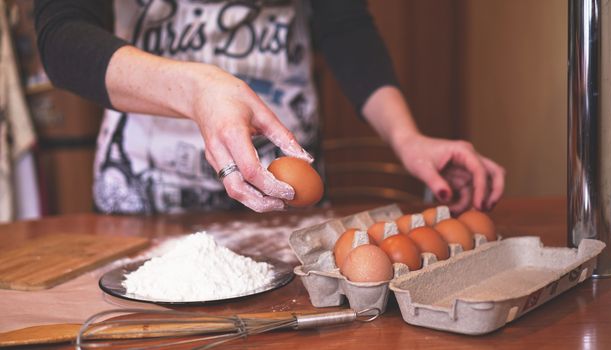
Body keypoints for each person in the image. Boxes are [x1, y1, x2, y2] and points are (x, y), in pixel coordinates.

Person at [34, 0, 505, 215]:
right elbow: (62, 36)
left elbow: (346, 26)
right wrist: (197, 88)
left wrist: (406, 137)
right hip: (146, 194)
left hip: (285, 192)